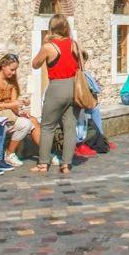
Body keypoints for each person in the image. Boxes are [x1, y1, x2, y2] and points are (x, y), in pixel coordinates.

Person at [31, 15, 81, 174]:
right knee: (70, 127)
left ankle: (43, 164)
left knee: (47, 126)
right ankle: (66, 164)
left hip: (57, 87)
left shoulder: (49, 47)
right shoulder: (74, 44)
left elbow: (35, 64)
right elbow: (81, 65)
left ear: (51, 27)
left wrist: (44, 43)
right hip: (74, 86)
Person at [0, 54, 41, 166]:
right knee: (27, 123)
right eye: (12, 69)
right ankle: (10, 153)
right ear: (3, 65)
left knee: (32, 120)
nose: (13, 73)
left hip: (10, 114)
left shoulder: (11, 82)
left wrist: (21, 109)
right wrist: (13, 104)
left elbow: (14, 105)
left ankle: (44, 153)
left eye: (15, 70)